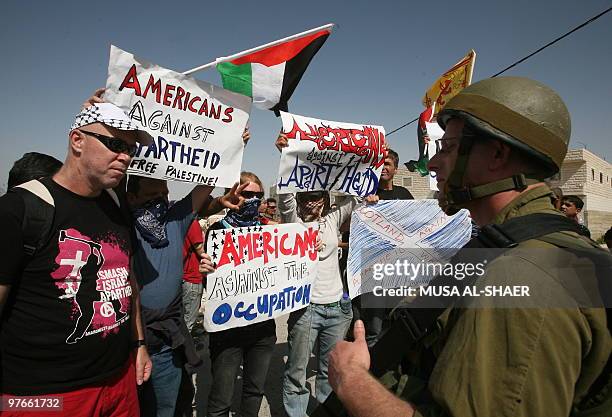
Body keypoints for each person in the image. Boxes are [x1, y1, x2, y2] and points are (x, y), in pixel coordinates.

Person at [328, 77, 612, 416]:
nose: (433, 164)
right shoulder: (545, 245)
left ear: (496, 154)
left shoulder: (517, 274)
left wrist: (352, 380)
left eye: (447, 149)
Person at [0, 101, 153, 415]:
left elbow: (127, 282)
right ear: (77, 140)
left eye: (130, 148)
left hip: (120, 381)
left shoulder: (114, 202)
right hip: (45, 396)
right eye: (114, 144)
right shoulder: (19, 210)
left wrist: (138, 344)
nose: (124, 156)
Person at [275, 133, 379, 417]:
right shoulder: (293, 222)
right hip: (306, 308)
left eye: (317, 196)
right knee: (297, 372)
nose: (312, 202)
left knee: (327, 370)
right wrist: (286, 156)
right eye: (305, 197)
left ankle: (324, 412)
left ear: (324, 197)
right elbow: (284, 197)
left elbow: (354, 199)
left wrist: (366, 167)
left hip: (337, 308)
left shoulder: (332, 219)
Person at [127, 175, 246, 417]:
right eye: (152, 196)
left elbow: (206, 181)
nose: (160, 201)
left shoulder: (175, 221)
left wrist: (230, 144)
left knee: (166, 407)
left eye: (164, 194)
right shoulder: (119, 226)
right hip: (128, 340)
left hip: (166, 340)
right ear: (131, 198)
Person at [206, 171, 277, 417]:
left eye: (259, 195)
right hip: (229, 329)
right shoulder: (216, 230)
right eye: (247, 194)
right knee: (221, 399)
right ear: (234, 194)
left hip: (262, 327)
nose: (253, 200)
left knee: (254, 392)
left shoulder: (271, 233)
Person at [358, 147, 415, 346]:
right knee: (373, 327)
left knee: (395, 320)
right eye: (380, 164)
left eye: (388, 164)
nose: (383, 168)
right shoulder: (366, 195)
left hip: (399, 271)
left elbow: (415, 224)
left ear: (396, 169)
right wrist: (366, 206)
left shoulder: (404, 194)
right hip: (373, 272)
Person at [182, 219, 206, 333]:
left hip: (182, 276)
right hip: (192, 277)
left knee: (183, 319)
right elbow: (201, 250)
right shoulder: (192, 222)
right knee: (188, 322)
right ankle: (185, 348)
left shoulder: (178, 221)